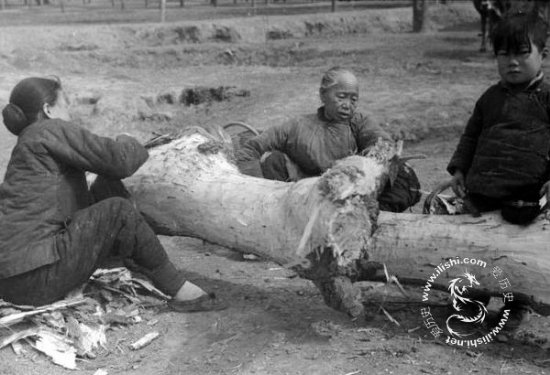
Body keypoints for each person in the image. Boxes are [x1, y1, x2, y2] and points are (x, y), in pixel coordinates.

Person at [0, 76, 224, 312]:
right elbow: (120, 160)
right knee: (118, 210)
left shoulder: (26, 146)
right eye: (65, 104)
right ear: (48, 110)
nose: (70, 112)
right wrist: (127, 138)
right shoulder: (49, 129)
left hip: (13, 283)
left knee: (105, 188)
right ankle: (181, 291)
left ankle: (133, 260)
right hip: (38, 278)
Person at [443, 12, 550, 336]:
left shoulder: (547, 98)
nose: (512, 62)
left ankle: (514, 308)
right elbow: (471, 136)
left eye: (521, 53)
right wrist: (460, 169)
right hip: (482, 189)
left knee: (515, 255)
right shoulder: (489, 98)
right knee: (475, 247)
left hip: (524, 194)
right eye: (504, 54)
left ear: (542, 55)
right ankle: (471, 302)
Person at [236, 67, 421, 213]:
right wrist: (255, 191)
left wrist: (368, 162)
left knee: (404, 176)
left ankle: (371, 218)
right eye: (341, 97)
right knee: (273, 160)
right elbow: (250, 149)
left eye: (353, 99)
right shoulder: (297, 126)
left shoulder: (359, 122)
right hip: (305, 199)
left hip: (352, 193)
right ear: (323, 95)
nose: (347, 105)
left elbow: (382, 143)